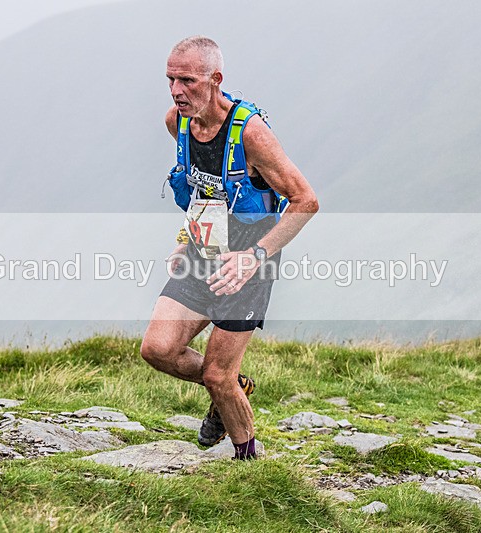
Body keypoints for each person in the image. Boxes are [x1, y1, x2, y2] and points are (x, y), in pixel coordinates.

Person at [140, 36, 318, 460]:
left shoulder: (252, 135)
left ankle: (248, 462)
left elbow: (305, 201)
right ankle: (233, 388)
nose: (176, 91)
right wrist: (186, 239)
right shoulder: (177, 122)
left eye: (187, 80)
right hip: (203, 251)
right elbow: (204, 187)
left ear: (215, 79)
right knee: (158, 349)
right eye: (170, 79)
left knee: (217, 374)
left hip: (249, 263)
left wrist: (255, 256)